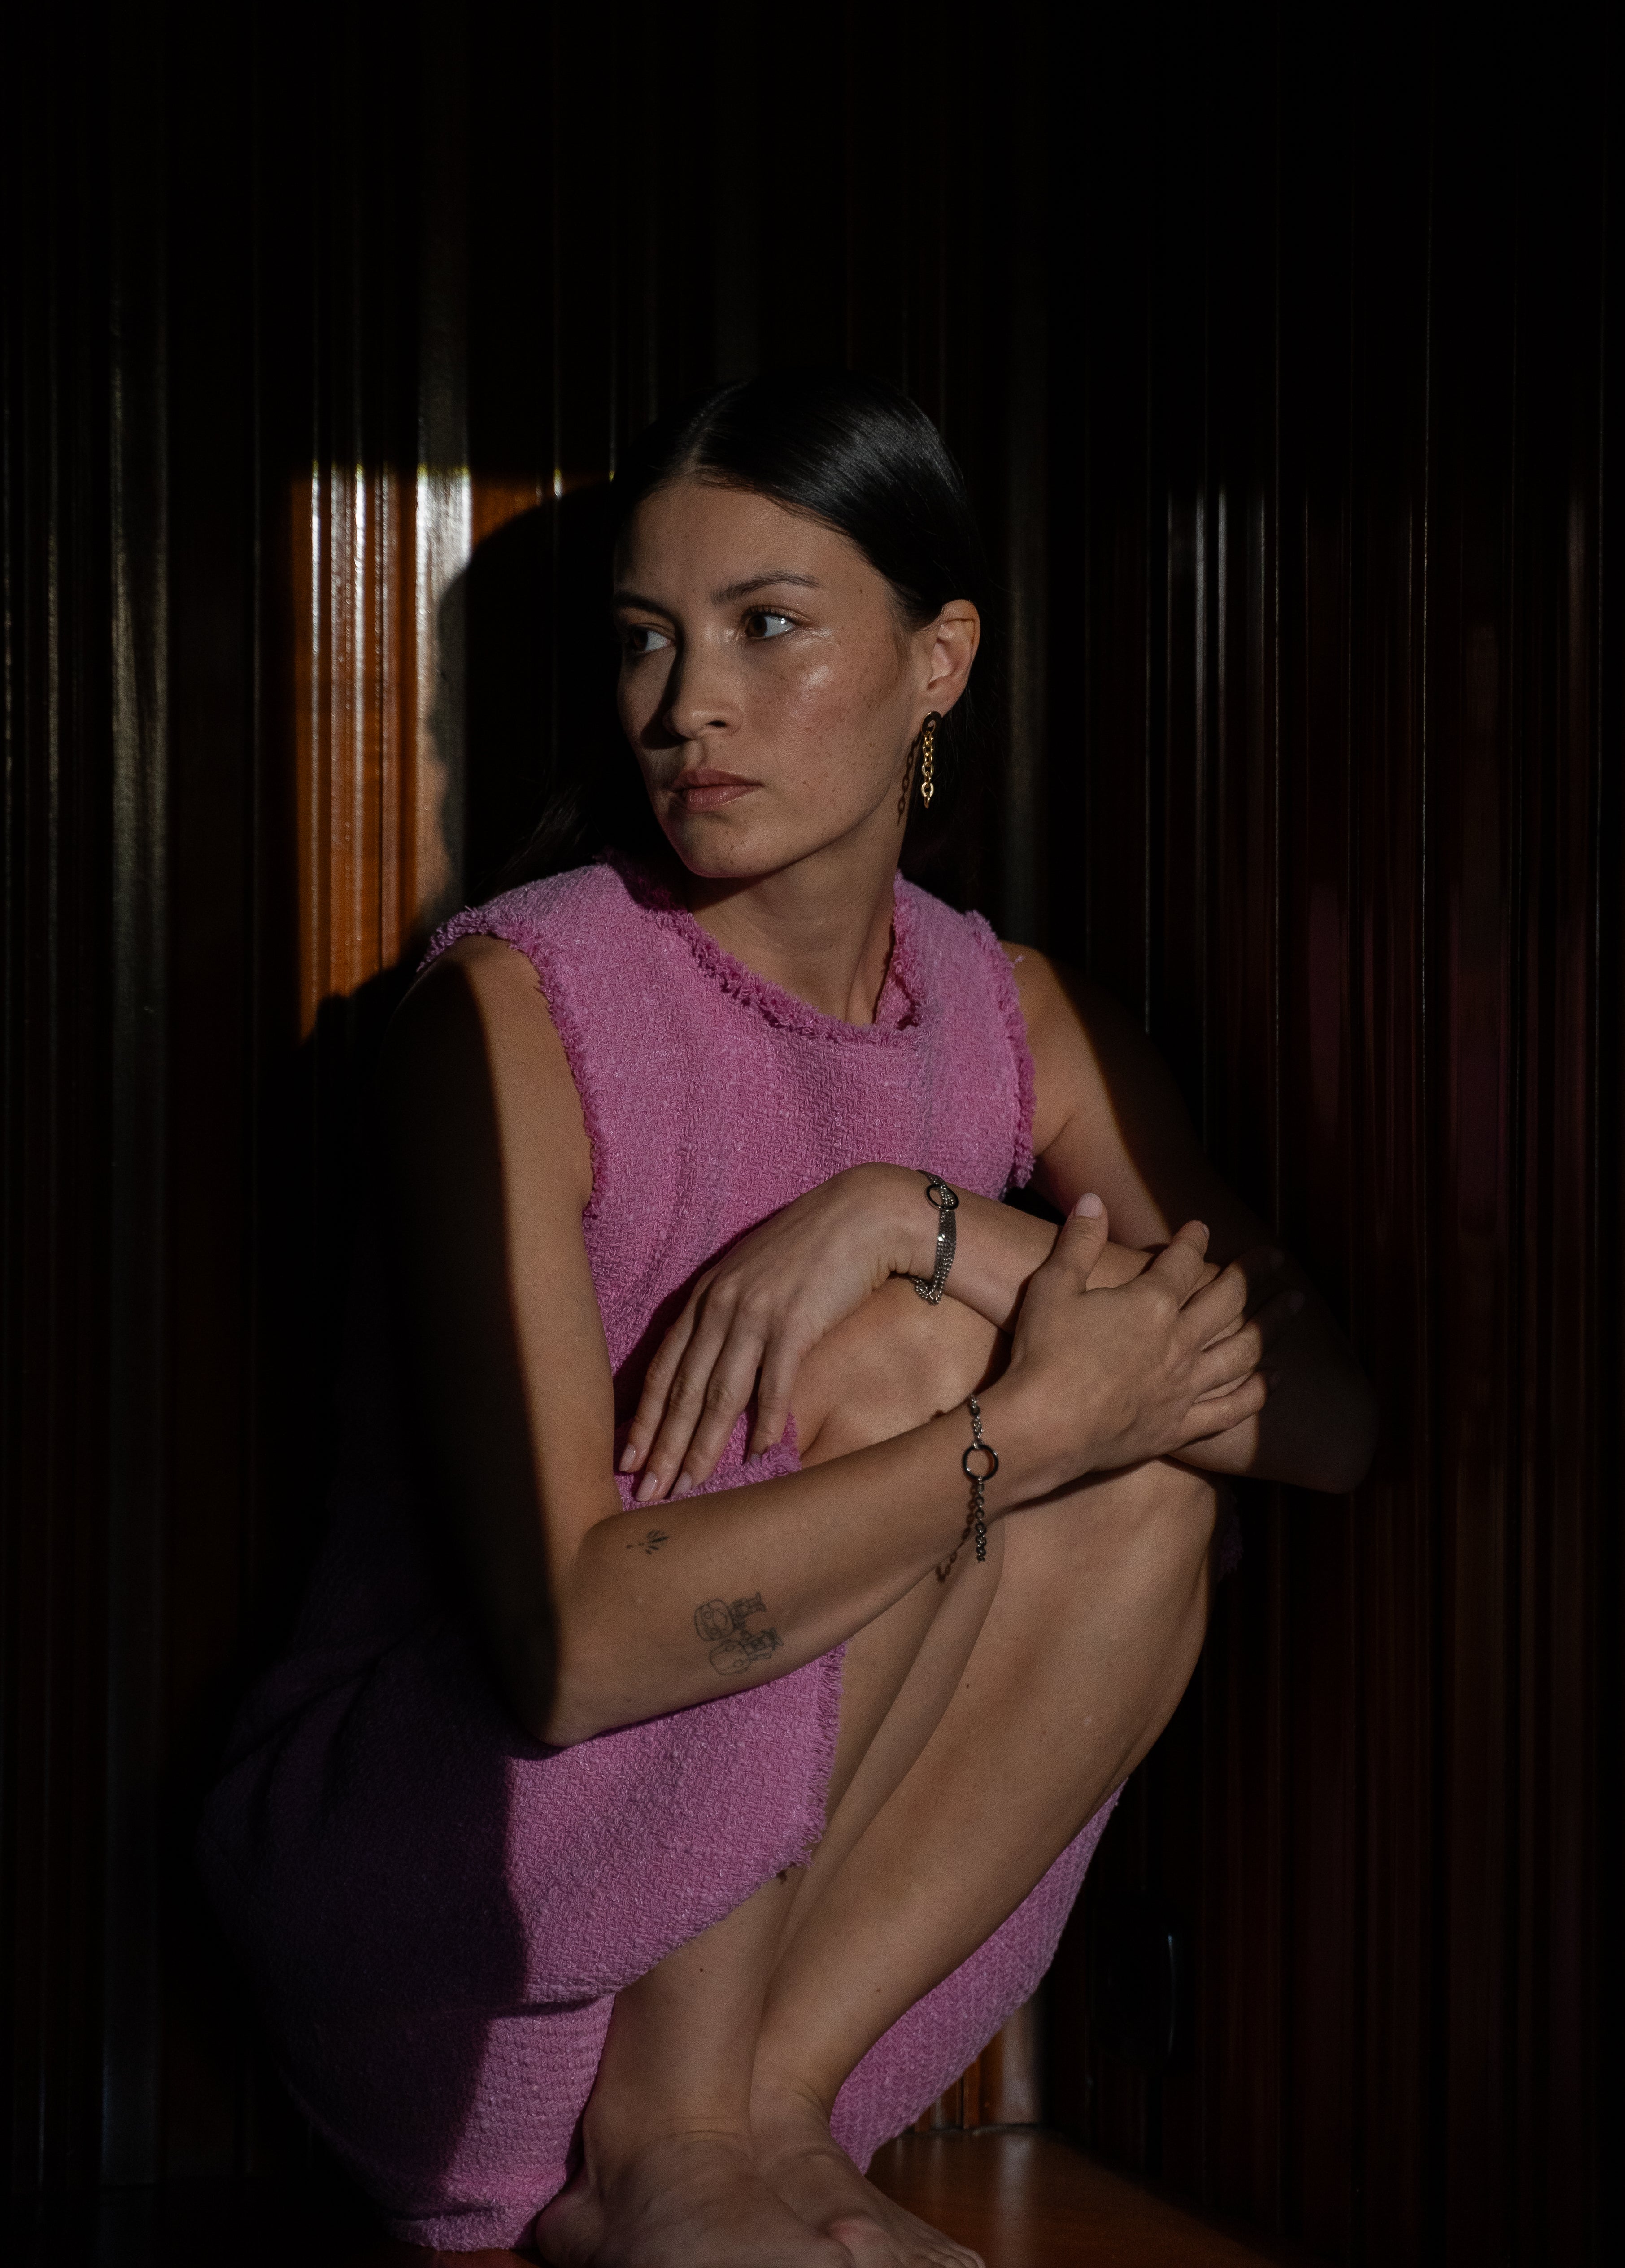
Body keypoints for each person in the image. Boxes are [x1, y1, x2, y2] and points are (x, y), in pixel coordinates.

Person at [201, 371, 1376, 2268]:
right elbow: (568, 1654)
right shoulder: (514, 1011)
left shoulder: (1009, 1014)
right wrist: (1020, 1416)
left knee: (1152, 1485)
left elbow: (1321, 1421)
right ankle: (666, 2149)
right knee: (943, 1368)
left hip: (780, 1992)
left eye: (766, 625)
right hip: (468, 1918)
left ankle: (753, 2122)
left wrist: (908, 1215)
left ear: (940, 660)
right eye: (647, 640)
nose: (689, 706)